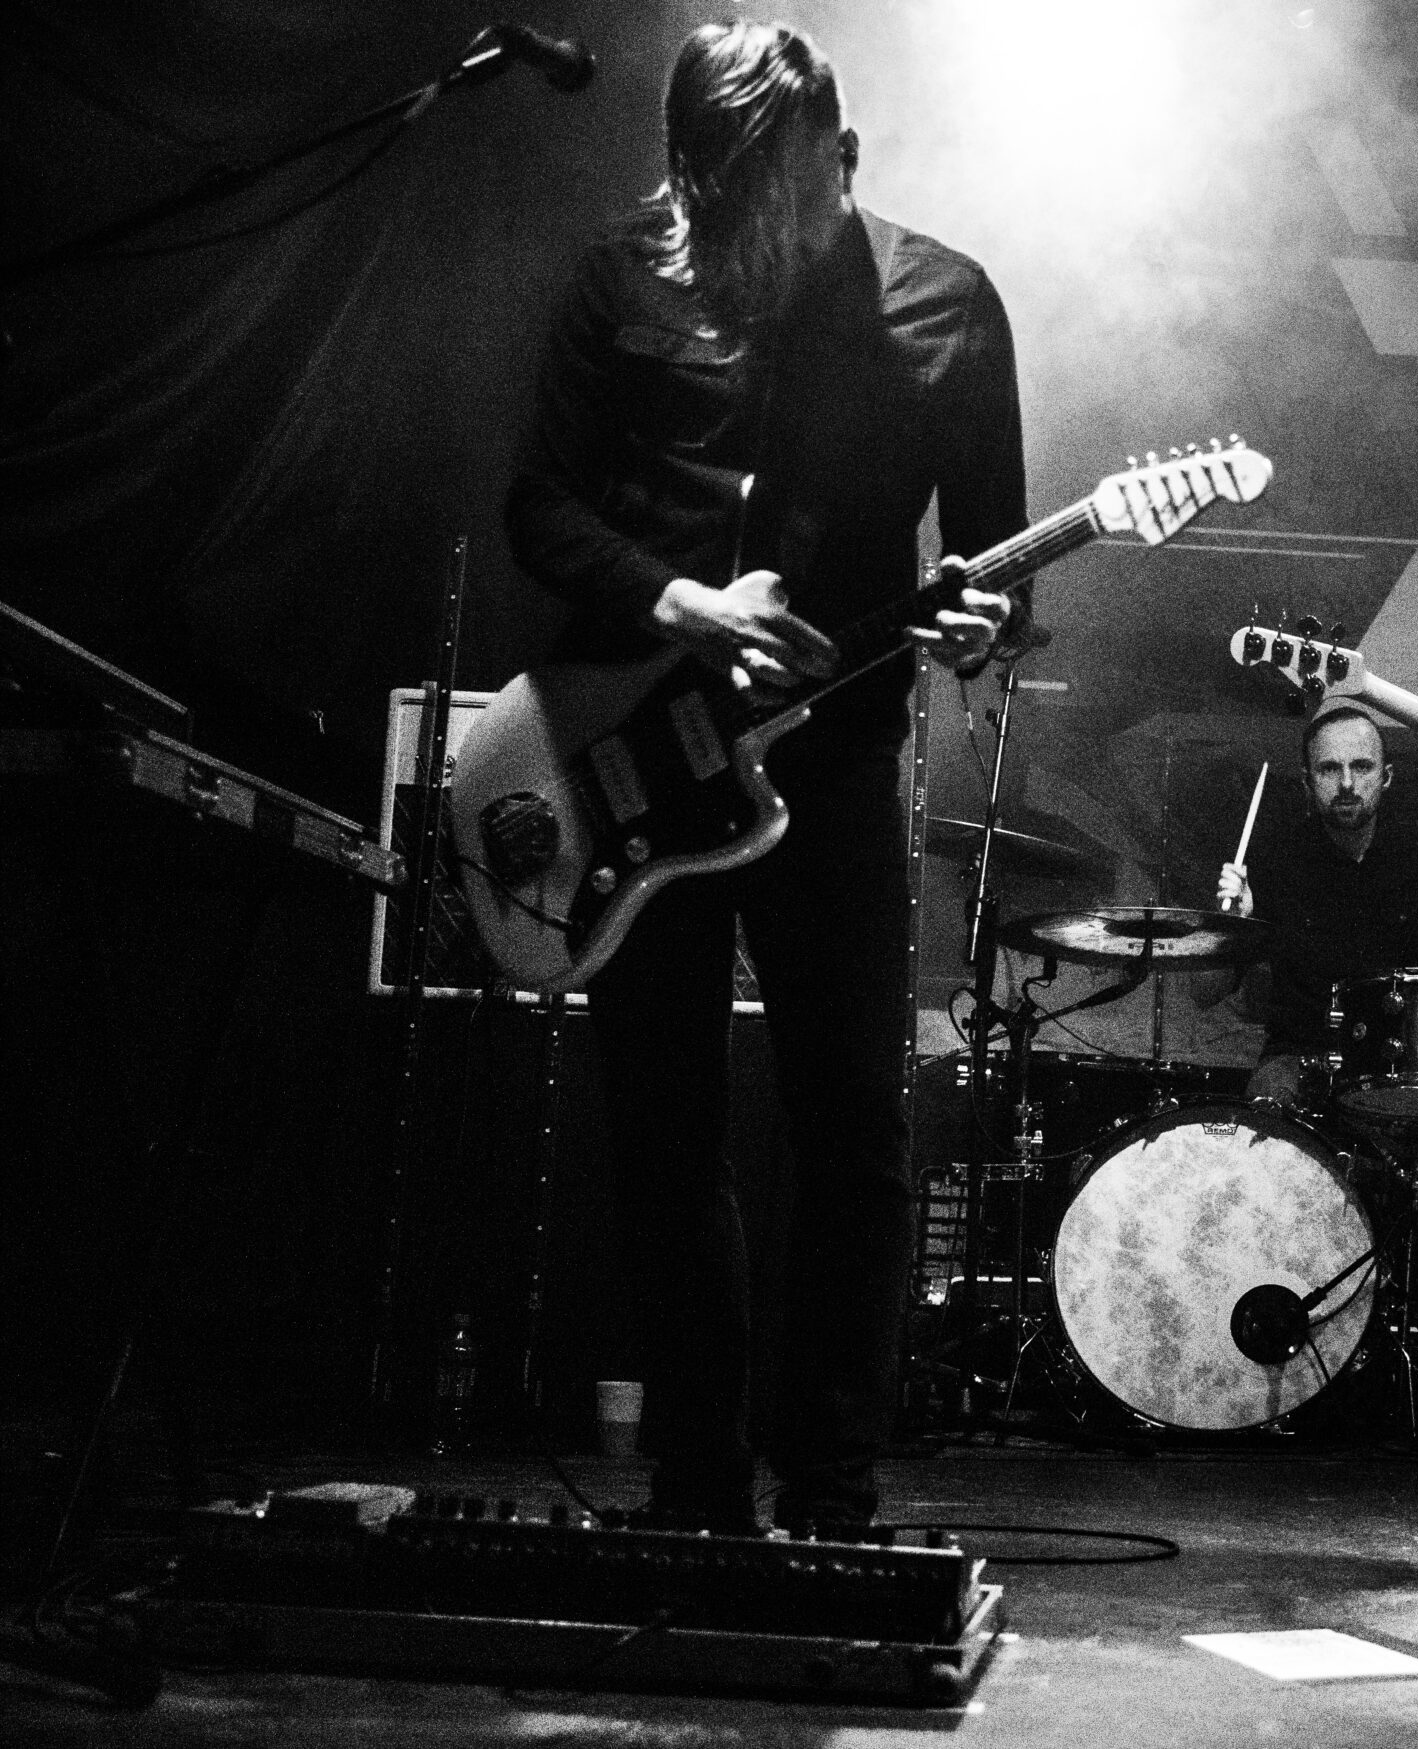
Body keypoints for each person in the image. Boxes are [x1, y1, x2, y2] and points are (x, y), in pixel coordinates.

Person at [505, 20, 1028, 1539]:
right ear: (683, 178)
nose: (745, 250)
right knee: (666, 1132)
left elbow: (989, 570)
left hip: (831, 761)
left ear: (837, 161)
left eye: (776, 210)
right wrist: (680, 603)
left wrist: (987, 623)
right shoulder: (624, 276)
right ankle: (696, 1485)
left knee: (854, 1129)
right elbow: (539, 505)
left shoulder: (945, 307)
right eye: (711, 212)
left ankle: (834, 1490)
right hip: (629, 756)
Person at [1216, 704, 1418, 1112]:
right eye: (1328, 769)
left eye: (1362, 766)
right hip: (1299, 1057)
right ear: (1307, 781)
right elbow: (1206, 992)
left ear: (1386, 777)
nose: (1347, 783)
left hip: (1399, 1060)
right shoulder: (1274, 861)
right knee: (1266, 1109)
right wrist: (1232, 924)